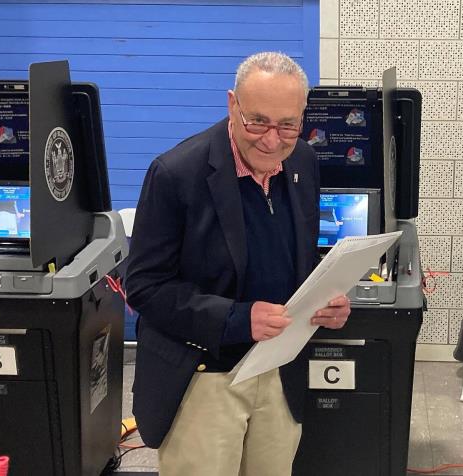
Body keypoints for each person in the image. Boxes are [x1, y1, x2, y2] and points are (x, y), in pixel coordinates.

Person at [126, 51, 351, 476]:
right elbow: (144, 286)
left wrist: (327, 298)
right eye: (257, 121)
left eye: (288, 124)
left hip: (278, 369)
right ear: (232, 105)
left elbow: (298, 255)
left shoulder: (302, 161)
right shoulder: (176, 173)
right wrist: (235, 318)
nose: (272, 139)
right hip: (204, 375)